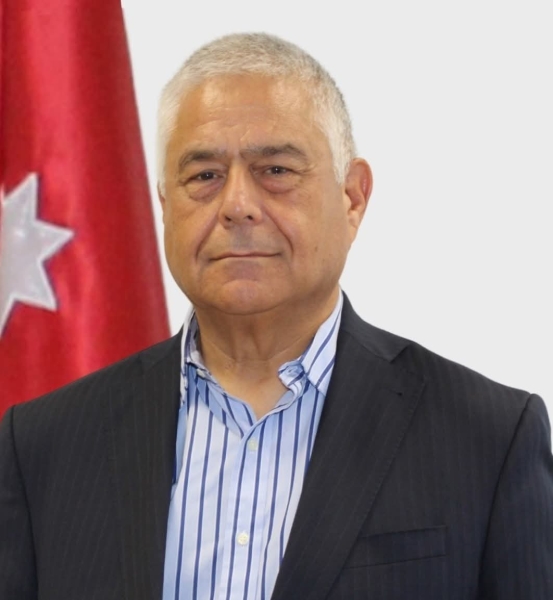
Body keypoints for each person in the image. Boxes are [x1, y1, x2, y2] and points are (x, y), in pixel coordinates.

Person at [1, 32, 551, 600]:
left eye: (276, 170)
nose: (237, 205)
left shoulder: (490, 440)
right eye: (204, 176)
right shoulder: (41, 446)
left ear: (353, 197)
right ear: (166, 205)